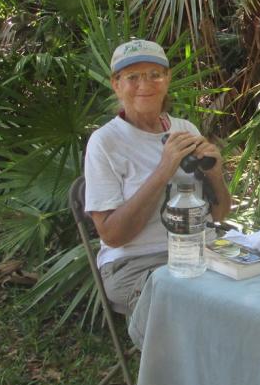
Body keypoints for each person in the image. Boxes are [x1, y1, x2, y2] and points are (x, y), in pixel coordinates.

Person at [84, 39, 231, 316]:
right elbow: (113, 236)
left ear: (167, 79)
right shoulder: (105, 142)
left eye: (154, 74)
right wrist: (164, 169)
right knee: (195, 309)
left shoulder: (185, 128)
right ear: (116, 84)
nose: (145, 84)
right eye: (133, 77)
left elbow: (221, 214)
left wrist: (215, 175)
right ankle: (170, 359)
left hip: (202, 250)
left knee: (258, 293)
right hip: (137, 262)